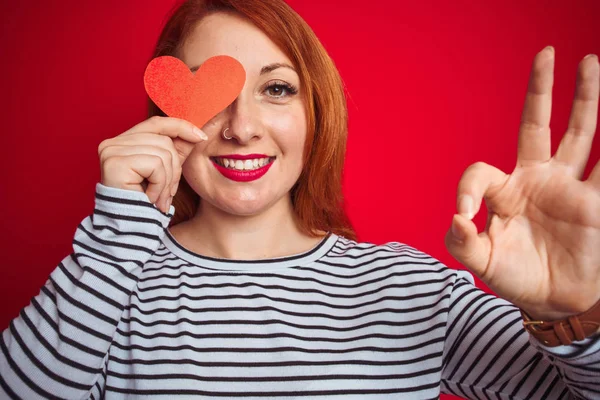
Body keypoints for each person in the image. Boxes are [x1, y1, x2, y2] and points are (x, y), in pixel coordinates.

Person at [1, 0, 599, 398]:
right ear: (166, 115)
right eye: (212, 91)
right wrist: (116, 236)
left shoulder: (413, 290)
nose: (242, 127)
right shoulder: (106, 285)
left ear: (316, 117)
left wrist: (576, 310)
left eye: (277, 89)